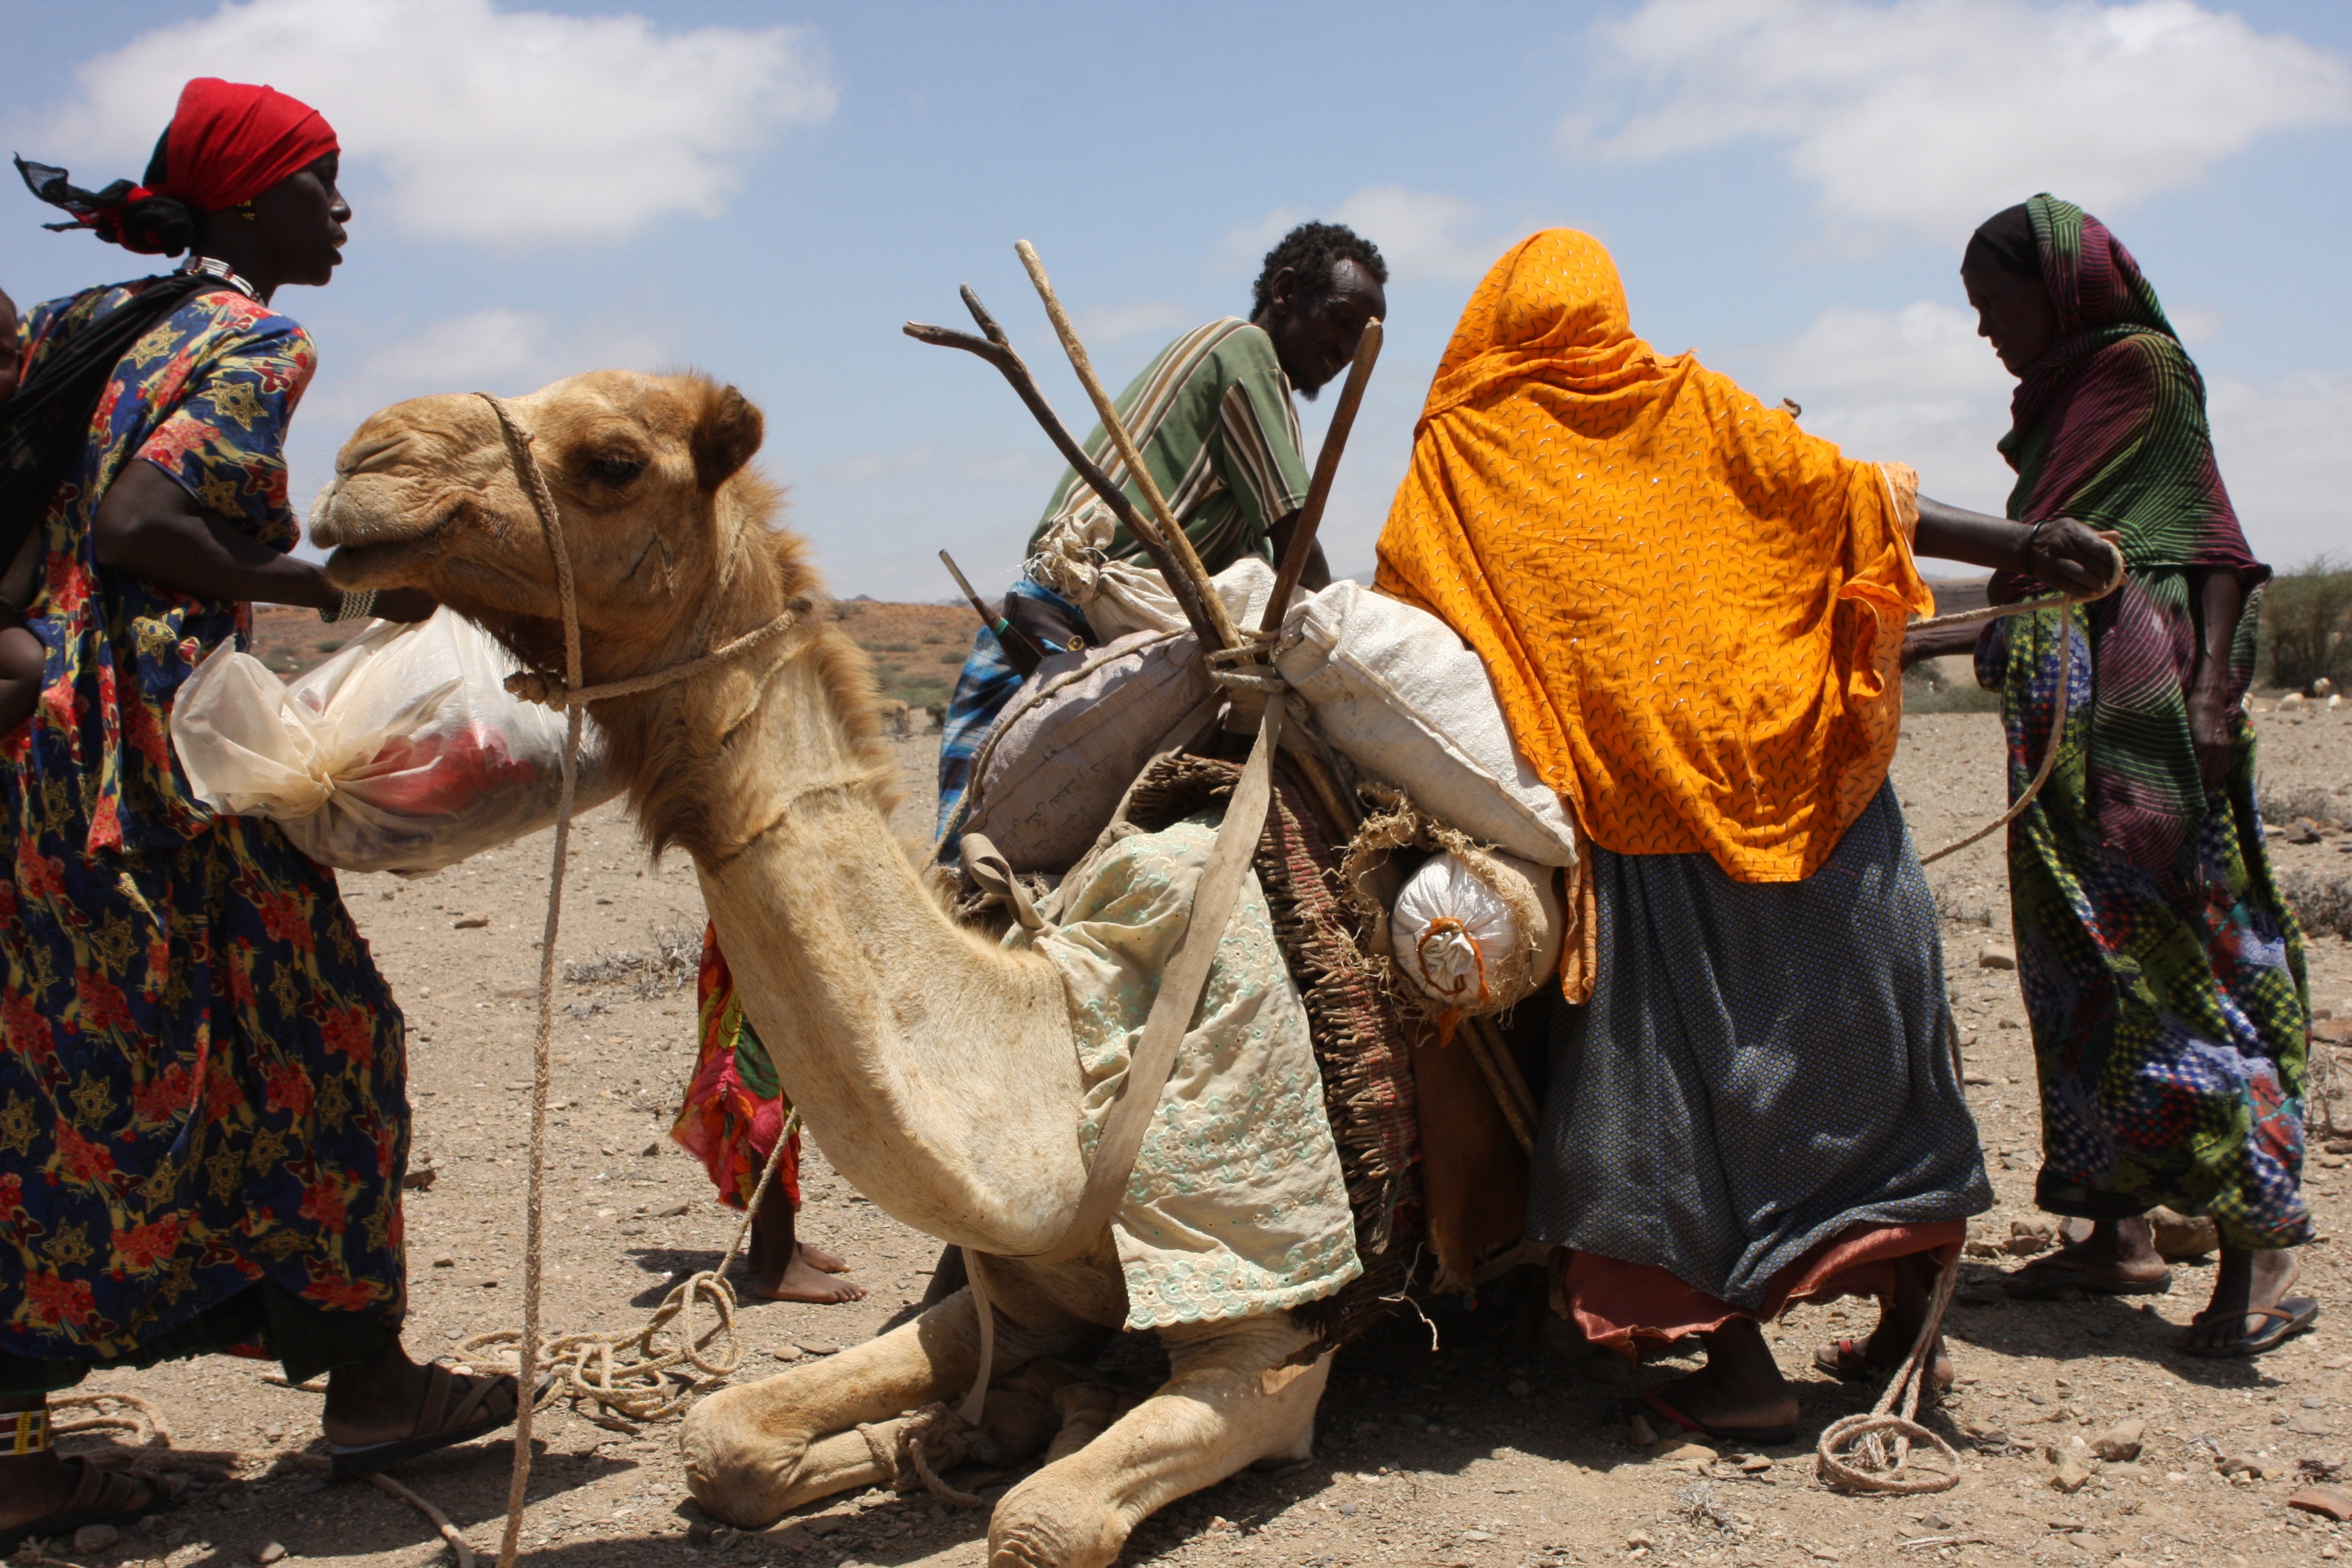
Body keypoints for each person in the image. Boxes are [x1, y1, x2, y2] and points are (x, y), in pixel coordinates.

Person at [1376, 229, 2116, 1440]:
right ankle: (1912, 1337)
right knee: (1872, 1067)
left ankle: (1738, 1373)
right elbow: (1859, 495)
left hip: (1648, 823)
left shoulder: (1462, 456)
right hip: (1815, 794)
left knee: (1679, 1101)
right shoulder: (1695, 406)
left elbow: (1419, 623)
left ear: (1488, 320)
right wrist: (2025, 546)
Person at [0, 79, 518, 1544]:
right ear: (242, 202)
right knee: (330, 1042)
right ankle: (366, 1385)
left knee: (65, 1086)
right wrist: (341, 590)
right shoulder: (254, 339)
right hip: (164, 770)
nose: (342, 211)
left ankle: (345, 1381)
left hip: (47, 763)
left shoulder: (83, 323)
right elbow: (138, 524)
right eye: (320, 181)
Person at [1907, 196, 2313, 1355]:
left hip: (2148, 715)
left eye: (1997, 306)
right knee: (2074, 958)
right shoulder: (2050, 404)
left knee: (2184, 953)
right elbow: (2043, 575)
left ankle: (2261, 1241)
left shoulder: (2143, 369)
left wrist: (2213, 694)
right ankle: (2116, 1228)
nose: (1987, 331)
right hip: (2059, 722)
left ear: (2063, 285)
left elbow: (2215, 545)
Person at [933, 220, 1389, 840]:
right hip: (1059, 644)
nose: (1346, 350)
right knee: (963, 869)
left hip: (1079, 643)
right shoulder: (1244, 351)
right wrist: (1354, 642)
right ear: (1286, 290)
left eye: (1364, 340)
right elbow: (1295, 546)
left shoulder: (1236, 375)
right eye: (1340, 320)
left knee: (978, 870)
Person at [670, 932, 865, 1304]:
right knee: (761, 1093)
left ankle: (773, 1245)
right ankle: (781, 1268)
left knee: (788, 1084)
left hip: (767, 933)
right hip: (760, 937)